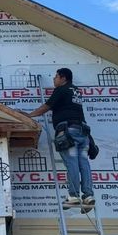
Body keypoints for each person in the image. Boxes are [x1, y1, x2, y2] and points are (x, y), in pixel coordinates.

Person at [22, 68, 95, 210]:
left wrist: (29, 116)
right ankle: (88, 195)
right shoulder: (76, 91)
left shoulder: (61, 89)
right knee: (84, 164)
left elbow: (46, 107)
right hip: (83, 132)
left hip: (69, 132)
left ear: (63, 78)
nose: (54, 79)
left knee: (72, 162)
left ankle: (73, 196)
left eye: (56, 77)